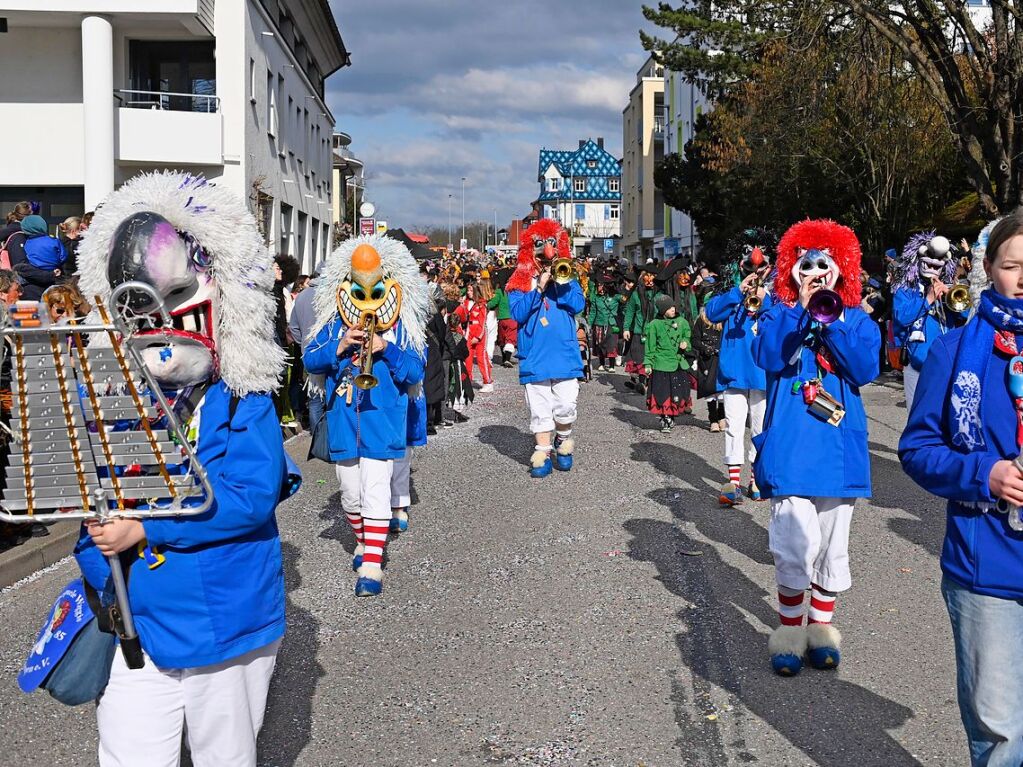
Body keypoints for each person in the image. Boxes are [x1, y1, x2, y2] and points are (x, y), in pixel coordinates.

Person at [73, 171, 292, 766]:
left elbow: (249, 494)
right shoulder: (120, 402)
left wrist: (147, 529)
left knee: (225, 755)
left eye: (172, 298)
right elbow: (92, 508)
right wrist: (98, 561)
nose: (159, 323)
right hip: (138, 620)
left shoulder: (244, 398)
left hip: (225, 621)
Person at [900, 211, 1023, 766]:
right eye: (1012, 265)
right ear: (988, 271)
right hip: (986, 565)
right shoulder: (955, 351)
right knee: (1001, 730)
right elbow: (918, 449)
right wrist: (984, 474)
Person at [752, 219, 880, 677]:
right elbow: (768, 357)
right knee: (792, 542)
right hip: (790, 446)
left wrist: (834, 319)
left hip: (838, 447)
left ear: (841, 270)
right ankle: (789, 632)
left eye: (825, 266)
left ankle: (821, 631)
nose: (816, 274)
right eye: (806, 266)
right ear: (792, 270)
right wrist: (798, 311)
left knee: (831, 545)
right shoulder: (777, 312)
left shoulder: (858, 320)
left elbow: (865, 369)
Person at [303, 235, 428, 597]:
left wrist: (385, 348)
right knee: (350, 494)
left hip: (383, 420)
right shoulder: (332, 327)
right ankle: (364, 542)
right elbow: (310, 360)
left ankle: (372, 564)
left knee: (375, 490)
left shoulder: (403, 328)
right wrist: (339, 346)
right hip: (344, 420)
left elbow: (415, 373)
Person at [507, 219, 584, 478]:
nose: (546, 251)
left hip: (564, 354)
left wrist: (560, 283)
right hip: (535, 355)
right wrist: (538, 287)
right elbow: (517, 313)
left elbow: (578, 305)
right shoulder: (519, 281)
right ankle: (543, 451)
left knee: (565, 405)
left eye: (551, 244)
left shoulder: (568, 277)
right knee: (539, 409)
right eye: (540, 245)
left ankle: (563, 440)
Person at [704, 243, 773, 505]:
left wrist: (766, 300)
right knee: (733, 428)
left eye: (760, 267)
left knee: (759, 428)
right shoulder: (733, 293)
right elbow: (711, 313)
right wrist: (738, 292)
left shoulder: (774, 295)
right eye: (750, 267)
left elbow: (784, 321)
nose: (755, 271)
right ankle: (733, 481)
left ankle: (755, 479)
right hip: (734, 374)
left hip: (762, 375)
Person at [891, 232, 965, 409]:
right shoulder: (905, 290)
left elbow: (965, 316)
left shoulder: (949, 289)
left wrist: (950, 297)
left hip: (945, 363)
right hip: (917, 362)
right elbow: (900, 318)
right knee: (916, 416)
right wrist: (928, 300)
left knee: (943, 416)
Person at [644, 294, 692, 432]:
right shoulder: (654, 325)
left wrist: (685, 343)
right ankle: (664, 418)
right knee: (662, 394)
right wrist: (648, 364)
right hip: (661, 365)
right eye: (669, 308)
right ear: (662, 310)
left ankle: (672, 416)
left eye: (673, 306)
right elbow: (650, 346)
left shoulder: (682, 322)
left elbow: (687, 336)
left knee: (676, 392)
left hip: (677, 364)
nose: (672, 309)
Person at [621, 264, 661, 394]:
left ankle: (646, 381)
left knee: (652, 358)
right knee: (639, 358)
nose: (649, 279)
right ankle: (641, 382)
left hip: (655, 332)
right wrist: (626, 328)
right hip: (639, 332)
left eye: (652, 277)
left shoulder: (660, 294)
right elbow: (630, 312)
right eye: (646, 277)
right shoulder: (636, 294)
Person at [7, 215, 66, 300]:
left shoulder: (26, 242)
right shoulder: (54, 240)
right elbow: (63, 256)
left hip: (33, 285)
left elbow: (25, 262)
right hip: (54, 282)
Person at [692, 285, 725, 431]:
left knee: (723, 390)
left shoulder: (723, 320)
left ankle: (722, 417)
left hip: (720, 358)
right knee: (710, 391)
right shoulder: (700, 321)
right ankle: (713, 419)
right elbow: (695, 340)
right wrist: (706, 349)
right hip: (706, 359)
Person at [456, 281, 493, 392]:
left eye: (471, 290)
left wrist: (478, 336)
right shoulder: (466, 302)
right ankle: (467, 380)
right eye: (468, 290)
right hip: (469, 330)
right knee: (467, 357)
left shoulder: (482, 304)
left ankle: (488, 382)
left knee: (482, 358)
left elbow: (482, 323)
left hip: (479, 332)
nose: (468, 292)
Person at [587, 276, 620, 372]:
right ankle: (601, 363)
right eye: (598, 285)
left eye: (601, 285)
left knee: (612, 345)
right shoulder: (596, 298)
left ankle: (611, 365)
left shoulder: (615, 296)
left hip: (611, 324)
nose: (600, 287)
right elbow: (593, 312)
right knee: (600, 344)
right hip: (599, 323)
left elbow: (624, 301)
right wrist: (589, 324)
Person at [488, 269, 518, 367]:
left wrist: (485, 304)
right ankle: (507, 359)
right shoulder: (515, 291)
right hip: (512, 318)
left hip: (501, 318)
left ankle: (504, 358)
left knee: (502, 339)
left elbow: (493, 303)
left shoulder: (499, 291)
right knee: (510, 339)